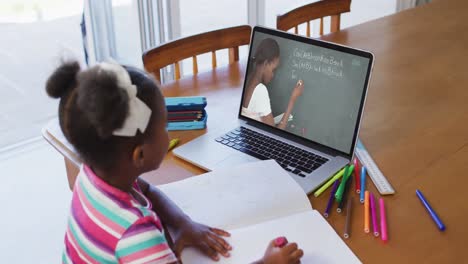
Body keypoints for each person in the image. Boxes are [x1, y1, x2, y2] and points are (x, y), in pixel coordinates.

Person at [46, 61, 303, 263]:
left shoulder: (93, 176)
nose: (169, 134)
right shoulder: (137, 236)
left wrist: (183, 224)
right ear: (140, 155)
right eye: (165, 126)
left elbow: (147, 190)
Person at [242, 38, 304, 130]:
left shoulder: (248, 77)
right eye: (273, 70)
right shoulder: (260, 90)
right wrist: (293, 99)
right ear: (266, 63)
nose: (273, 75)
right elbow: (275, 134)